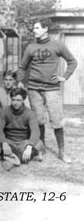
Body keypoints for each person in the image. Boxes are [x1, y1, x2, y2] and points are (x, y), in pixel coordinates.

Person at [17, 18, 77, 163]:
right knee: (38, 121)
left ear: (45, 29)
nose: (34, 31)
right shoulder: (31, 47)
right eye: (34, 28)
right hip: (34, 89)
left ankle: (62, 152)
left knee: (56, 121)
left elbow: (72, 61)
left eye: (37, 28)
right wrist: (20, 80)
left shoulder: (57, 45)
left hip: (52, 89)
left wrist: (64, 77)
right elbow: (22, 66)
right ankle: (40, 149)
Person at [0, 88, 44, 171]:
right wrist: (4, 142)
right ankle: (29, 156)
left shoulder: (29, 113)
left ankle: (12, 160)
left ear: (23, 100)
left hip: (23, 142)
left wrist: (29, 146)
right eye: (13, 100)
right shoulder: (5, 111)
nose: (15, 103)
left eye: (18, 100)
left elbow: (35, 131)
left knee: (39, 143)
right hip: (9, 141)